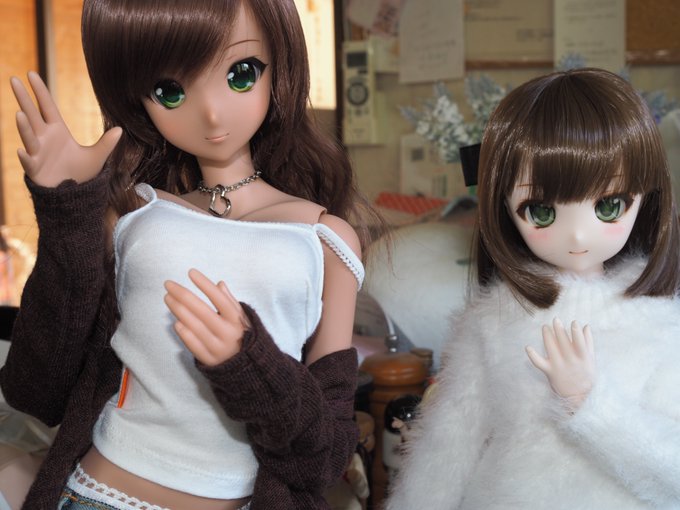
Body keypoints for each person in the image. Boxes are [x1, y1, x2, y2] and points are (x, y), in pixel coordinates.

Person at [1, 1, 383, 509]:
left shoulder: (325, 239)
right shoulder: (134, 214)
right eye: (170, 91)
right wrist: (67, 208)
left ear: (280, 65)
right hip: (98, 492)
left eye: (240, 74)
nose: (211, 114)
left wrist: (252, 367)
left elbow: (323, 458)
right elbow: (36, 390)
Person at [385, 68, 680, 509]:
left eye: (609, 205)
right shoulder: (496, 316)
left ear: (646, 197)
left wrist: (589, 403)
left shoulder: (659, 322)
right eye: (541, 212)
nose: (577, 235)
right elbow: (449, 443)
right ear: (503, 208)